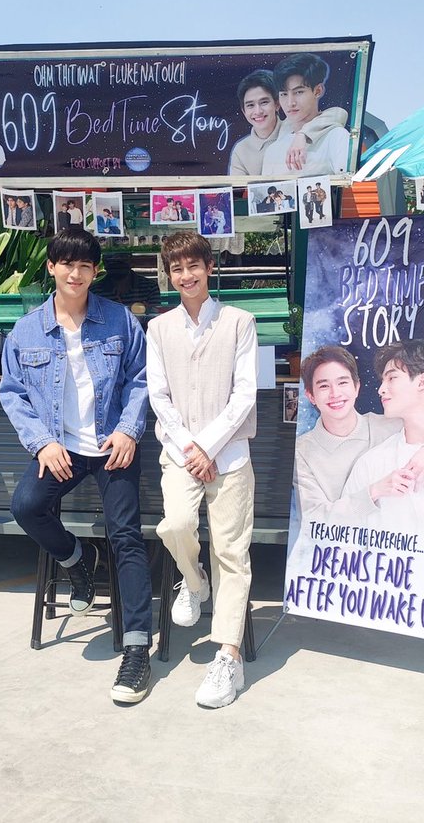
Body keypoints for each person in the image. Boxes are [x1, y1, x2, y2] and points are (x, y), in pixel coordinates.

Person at [0, 226, 153, 705]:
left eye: (85, 265)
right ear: (51, 267)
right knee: (26, 506)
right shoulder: (26, 330)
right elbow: (13, 393)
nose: (76, 273)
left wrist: (128, 430)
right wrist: (42, 443)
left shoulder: (120, 320)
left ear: (95, 271)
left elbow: (142, 379)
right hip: (60, 448)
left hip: (111, 446)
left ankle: (137, 649)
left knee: (126, 536)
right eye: (67, 264)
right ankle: (77, 559)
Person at [147, 231, 258, 708]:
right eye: (177, 268)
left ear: (210, 268)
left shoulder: (239, 322)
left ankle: (228, 657)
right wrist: (191, 448)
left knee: (232, 553)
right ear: (168, 274)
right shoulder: (159, 328)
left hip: (230, 457)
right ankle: (193, 582)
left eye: (194, 266)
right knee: (175, 524)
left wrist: (209, 447)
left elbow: (245, 393)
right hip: (179, 453)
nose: (186, 275)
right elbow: (158, 395)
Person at [294, 345, 424, 530]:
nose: (335, 393)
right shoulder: (301, 452)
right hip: (338, 545)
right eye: (324, 386)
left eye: (343, 383)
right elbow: (313, 519)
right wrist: (374, 492)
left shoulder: (390, 425)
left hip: (397, 540)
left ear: (357, 387)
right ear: (311, 396)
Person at [340, 340, 424, 534]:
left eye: (392, 378)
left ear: (422, 382)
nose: (381, 389)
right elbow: (339, 527)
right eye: (382, 380)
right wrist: (374, 492)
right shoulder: (372, 462)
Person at [261, 53, 351, 178]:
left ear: (318, 91)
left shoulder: (336, 136)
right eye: (284, 94)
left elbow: (348, 184)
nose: (290, 103)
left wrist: (303, 134)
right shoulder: (272, 150)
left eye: (299, 92)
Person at [227, 70, 281, 176]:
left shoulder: (297, 133)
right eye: (250, 105)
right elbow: (237, 186)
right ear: (244, 111)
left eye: (264, 102)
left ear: (277, 104)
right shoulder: (240, 150)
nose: (258, 111)